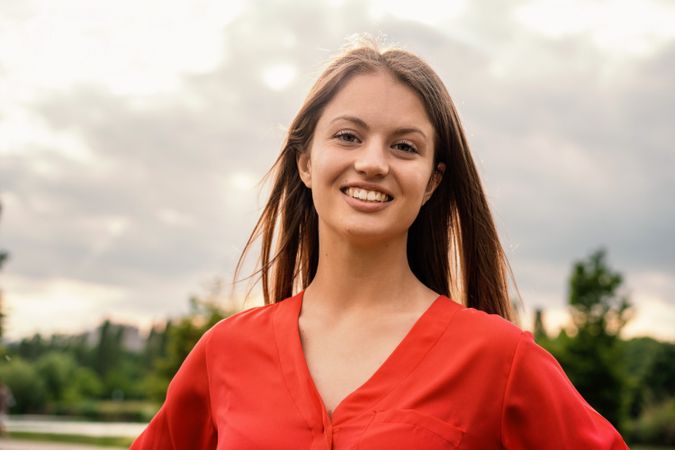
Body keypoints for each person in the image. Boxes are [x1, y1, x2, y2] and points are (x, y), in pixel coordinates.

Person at [131, 39, 629, 449]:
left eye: (404, 146)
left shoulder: (499, 359)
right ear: (305, 163)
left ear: (432, 183)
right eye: (348, 136)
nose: (372, 162)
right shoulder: (226, 352)